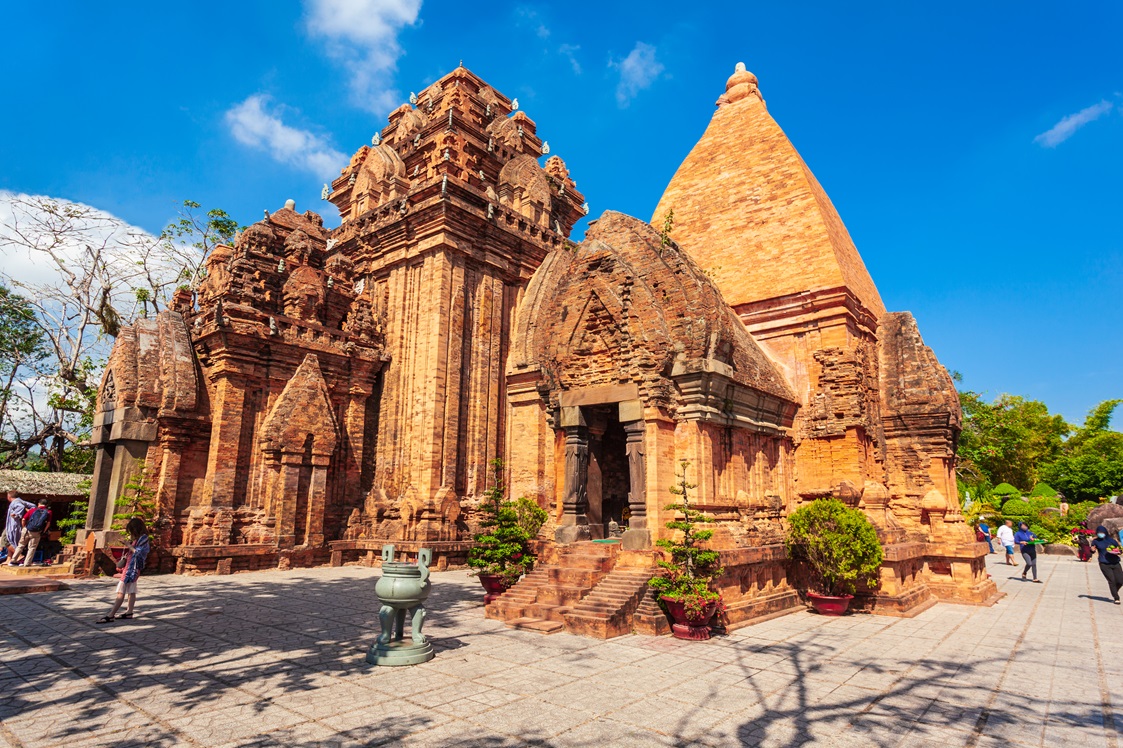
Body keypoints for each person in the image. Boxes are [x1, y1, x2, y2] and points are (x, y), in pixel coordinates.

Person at [96, 518, 150, 624]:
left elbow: (139, 553)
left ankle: (111, 615)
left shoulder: (143, 539)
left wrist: (128, 545)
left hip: (132, 569)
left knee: (121, 591)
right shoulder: (138, 538)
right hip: (130, 567)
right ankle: (129, 612)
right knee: (131, 590)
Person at [7, 500, 52, 567]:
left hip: (27, 530)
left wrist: (24, 527)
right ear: (46, 505)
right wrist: (43, 531)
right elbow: (48, 523)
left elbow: (23, 519)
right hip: (37, 532)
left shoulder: (33, 510)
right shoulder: (49, 512)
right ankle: (27, 563)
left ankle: (13, 561)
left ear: (38, 504)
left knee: (21, 545)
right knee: (32, 548)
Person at [1090, 525, 1123, 605]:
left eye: (1102, 532)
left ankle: (1114, 590)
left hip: (1115, 562)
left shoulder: (1112, 541)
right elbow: (1092, 550)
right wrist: (1092, 550)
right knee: (1111, 580)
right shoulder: (1095, 541)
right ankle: (1116, 597)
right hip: (1104, 563)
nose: (1100, 534)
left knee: (1120, 581)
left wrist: (1119, 552)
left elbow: (1119, 550)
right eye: (1099, 533)